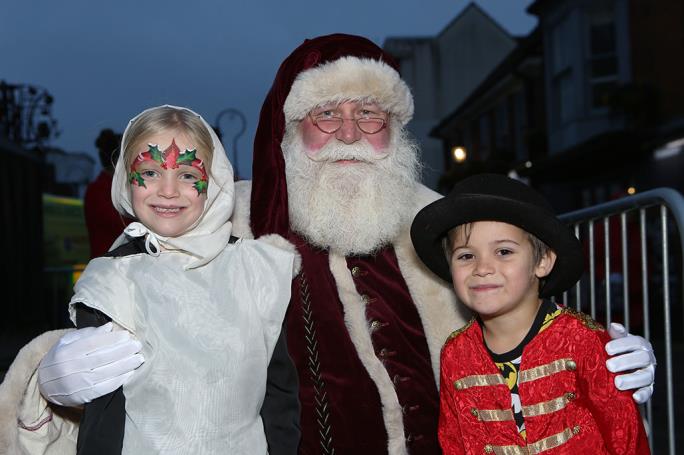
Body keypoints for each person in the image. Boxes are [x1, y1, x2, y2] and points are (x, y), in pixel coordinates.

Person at [9, 34, 655, 454]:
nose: (349, 130)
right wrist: (54, 378)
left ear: (393, 129)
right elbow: (136, 283)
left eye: (369, 114)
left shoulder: (441, 226)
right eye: (326, 114)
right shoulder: (228, 218)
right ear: (292, 129)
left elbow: (515, 308)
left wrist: (601, 354)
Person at [0, 105, 300, 454]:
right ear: (127, 179)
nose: (168, 190)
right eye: (151, 172)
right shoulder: (111, 280)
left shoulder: (255, 269)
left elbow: (280, 395)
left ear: (214, 181)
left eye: (188, 174)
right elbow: (102, 414)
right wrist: (51, 383)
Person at [411, 173, 650, 454]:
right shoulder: (455, 353)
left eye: (503, 251)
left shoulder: (583, 341)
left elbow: (626, 438)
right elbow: (454, 442)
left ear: (543, 261)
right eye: (466, 256)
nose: (482, 267)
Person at [84, 128, 133, 258]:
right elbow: (123, 226)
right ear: (117, 159)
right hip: (109, 265)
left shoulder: (100, 188)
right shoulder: (99, 191)